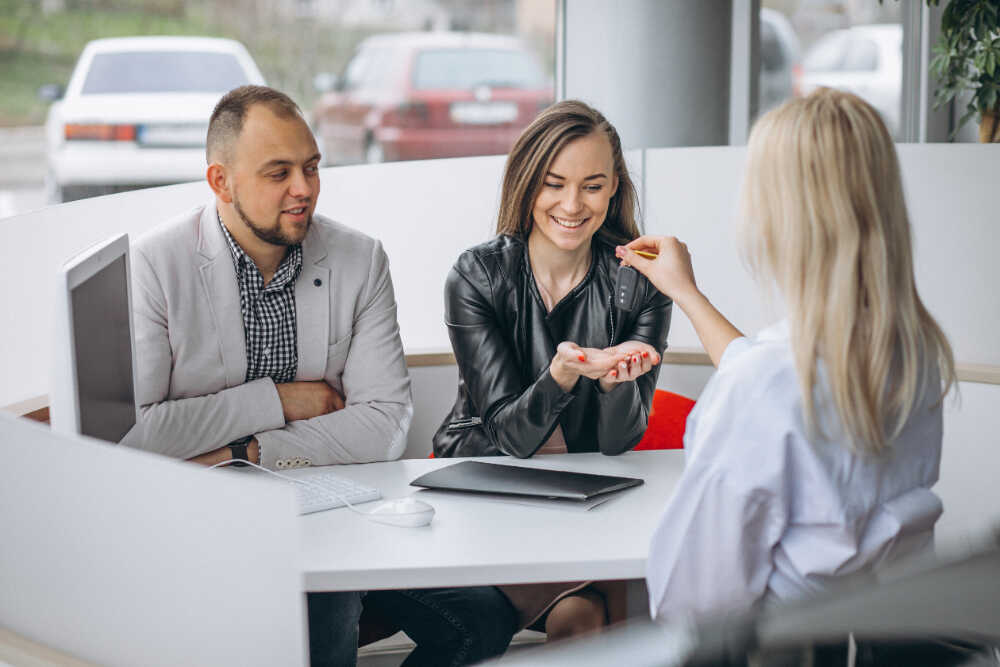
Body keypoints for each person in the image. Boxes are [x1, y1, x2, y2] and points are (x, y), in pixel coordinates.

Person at [127, 85, 509, 667]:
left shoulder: (360, 259)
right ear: (221, 182)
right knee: (322, 604)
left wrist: (244, 451)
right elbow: (142, 434)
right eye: (278, 172)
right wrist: (276, 400)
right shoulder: (156, 265)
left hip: (340, 510)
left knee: (481, 620)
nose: (303, 189)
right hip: (205, 522)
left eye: (310, 167)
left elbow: (383, 426)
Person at [614, 88, 956, 623]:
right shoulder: (912, 352)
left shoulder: (765, 384)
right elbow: (782, 386)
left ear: (777, 217)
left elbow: (695, 602)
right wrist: (687, 293)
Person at [432, 100, 673, 642]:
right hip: (488, 490)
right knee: (604, 614)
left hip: (588, 500)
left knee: (594, 618)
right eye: (553, 183)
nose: (571, 204)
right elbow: (509, 435)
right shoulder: (478, 276)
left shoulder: (641, 281)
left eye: (592, 185)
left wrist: (616, 387)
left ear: (614, 189)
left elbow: (618, 444)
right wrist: (562, 373)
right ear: (527, 184)